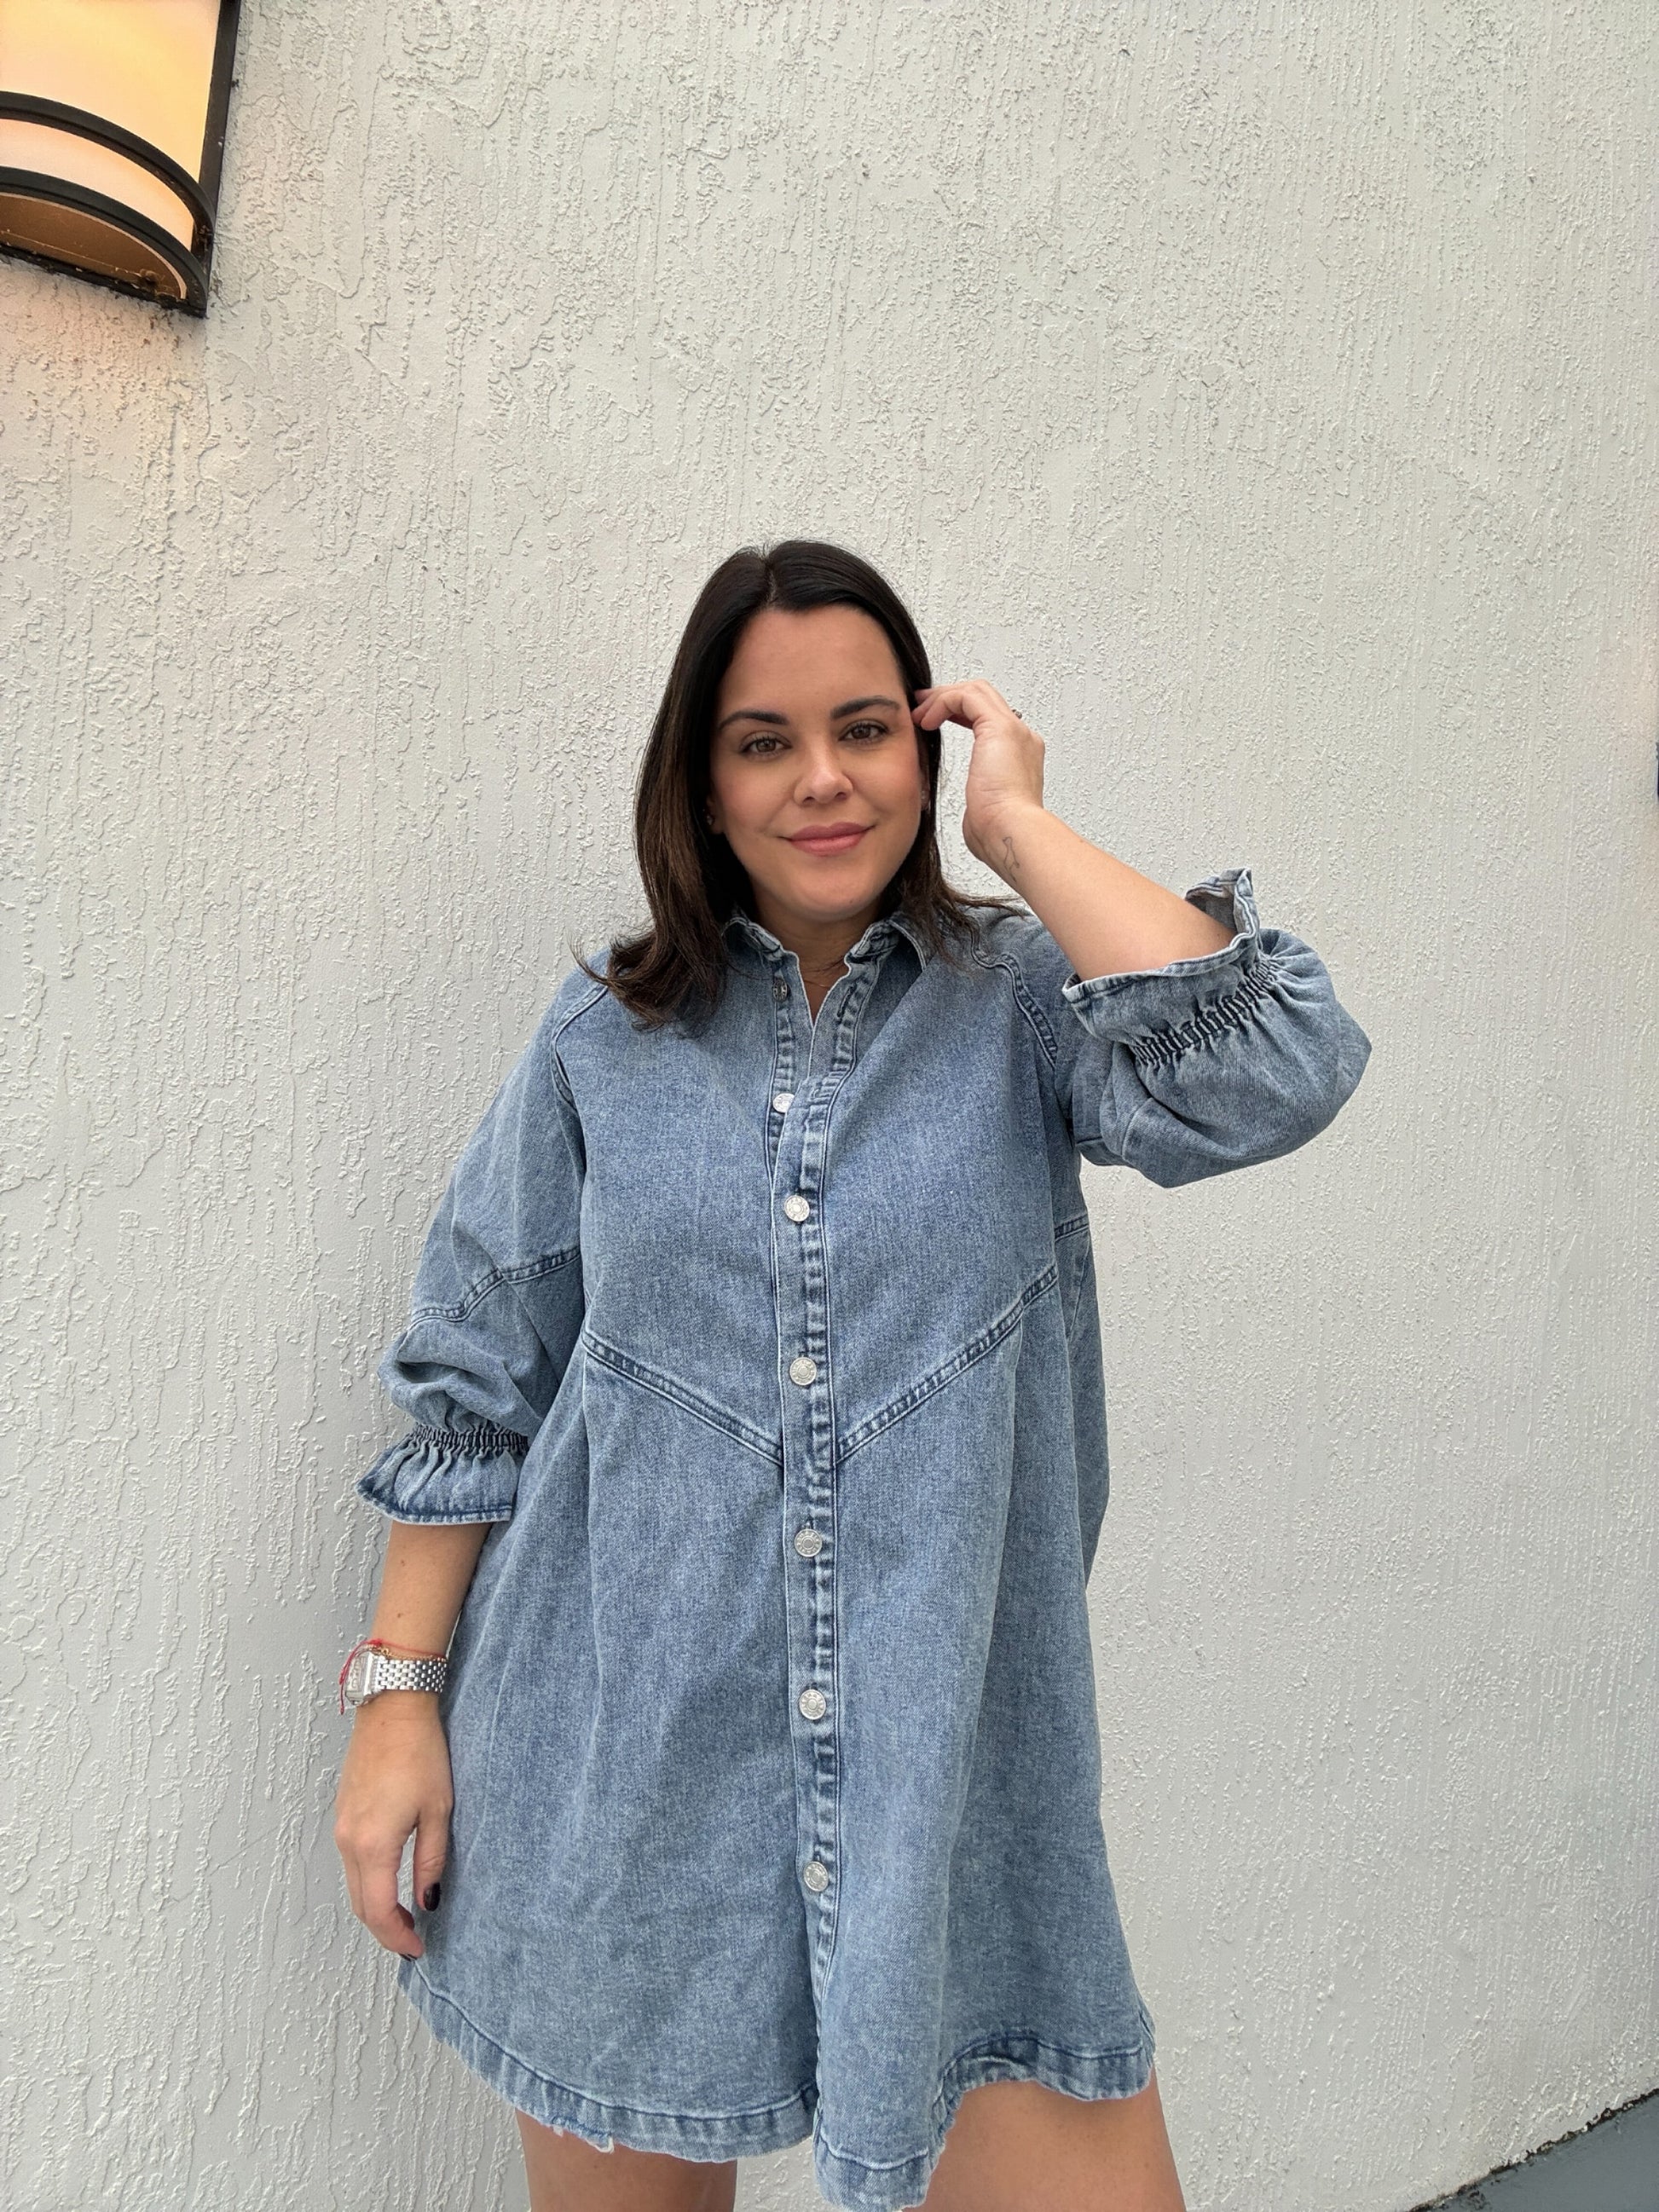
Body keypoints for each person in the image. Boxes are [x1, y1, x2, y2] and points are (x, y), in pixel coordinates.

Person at [332, 539, 1371, 2212]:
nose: (822, 776)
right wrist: (397, 1709)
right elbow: (475, 1379)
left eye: (867, 726)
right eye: (763, 740)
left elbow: (1277, 1068)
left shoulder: (1027, 1006)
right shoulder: (603, 1038)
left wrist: (1021, 829)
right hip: (617, 1785)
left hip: (956, 1799)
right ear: (703, 781)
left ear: (927, 742)